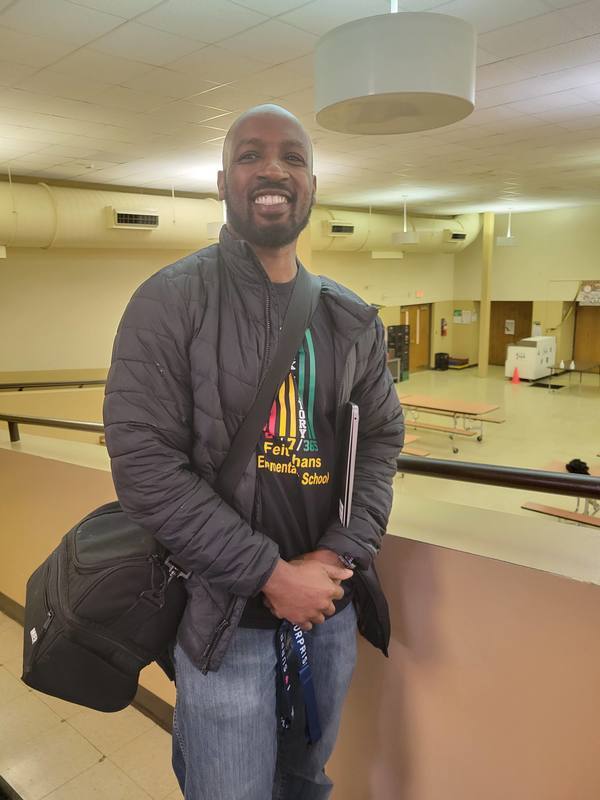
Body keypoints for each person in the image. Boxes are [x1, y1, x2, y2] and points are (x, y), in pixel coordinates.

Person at [103, 104, 404, 800]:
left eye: (292, 157)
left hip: (326, 613)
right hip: (224, 618)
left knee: (305, 782)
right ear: (222, 180)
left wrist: (338, 556)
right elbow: (144, 465)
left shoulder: (349, 318)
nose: (273, 169)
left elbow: (381, 439)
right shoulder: (170, 302)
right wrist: (270, 574)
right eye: (250, 155)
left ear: (312, 184)